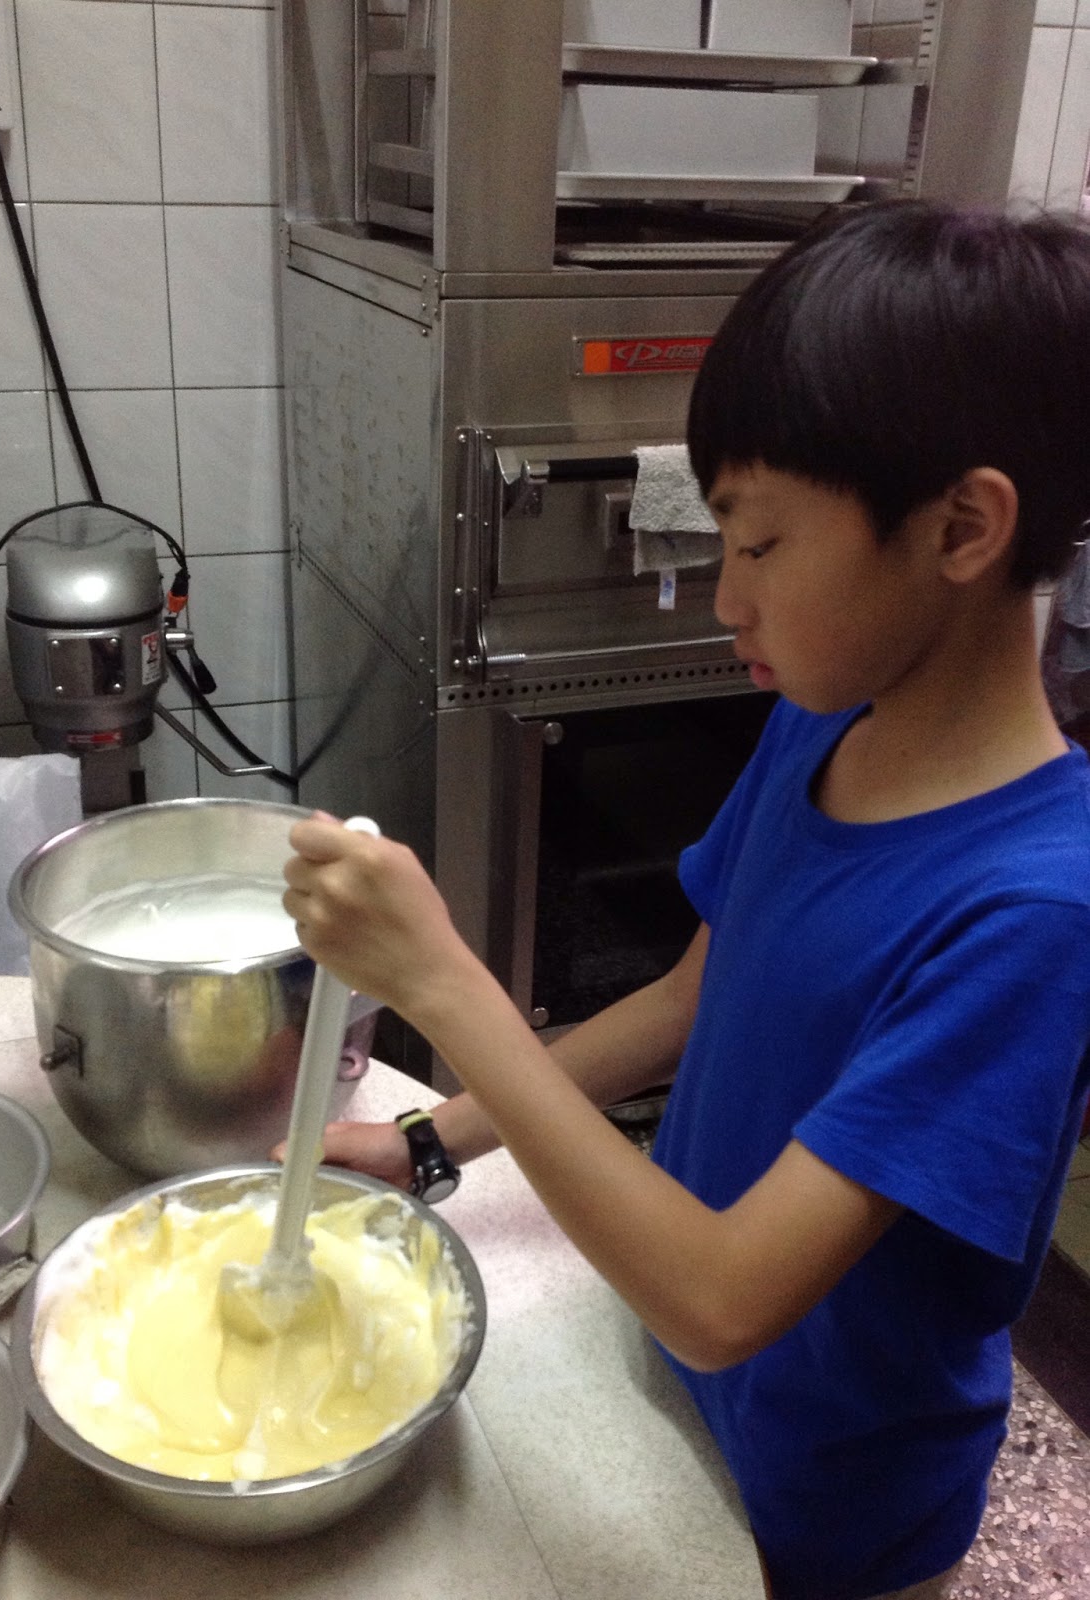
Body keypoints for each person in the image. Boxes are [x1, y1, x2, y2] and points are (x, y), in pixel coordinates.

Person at [280, 201, 1090, 1600]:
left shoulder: (1037, 918)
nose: (727, 601)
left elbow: (725, 1299)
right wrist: (429, 1141)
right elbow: (689, 998)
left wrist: (444, 986)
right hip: (678, 1398)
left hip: (833, 1514)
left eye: (762, 547)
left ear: (962, 527)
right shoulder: (823, 725)